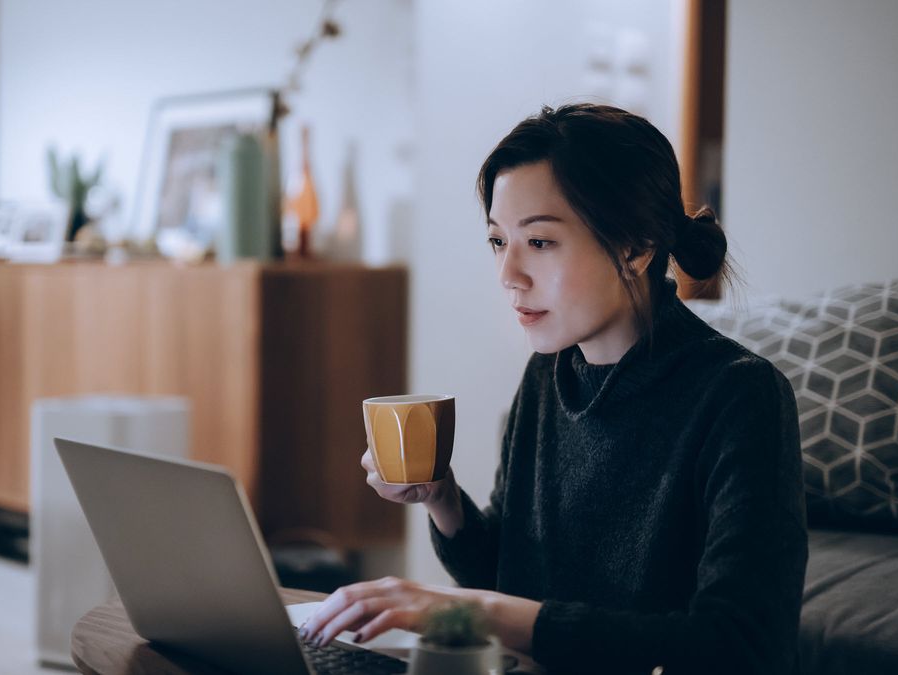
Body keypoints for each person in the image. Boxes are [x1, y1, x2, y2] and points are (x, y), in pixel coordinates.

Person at [298, 103, 808, 674]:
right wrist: (440, 496)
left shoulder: (740, 397)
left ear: (635, 247)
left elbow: (741, 647)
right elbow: (506, 576)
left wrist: (472, 609)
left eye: (539, 242)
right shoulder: (549, 375)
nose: (507, 274)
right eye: (498, 242)